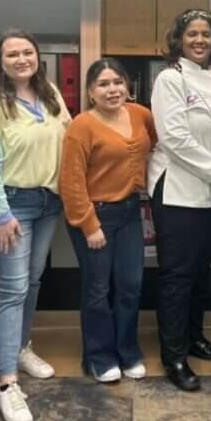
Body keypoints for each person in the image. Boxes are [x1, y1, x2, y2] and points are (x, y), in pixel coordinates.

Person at [0, 29, 72, 421]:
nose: (20, 59)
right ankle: (6, 383)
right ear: (0, 62)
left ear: (37, 57)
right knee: (11, 289)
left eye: (27, 52)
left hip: (48, 202)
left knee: (32, 281)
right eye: (12, 54)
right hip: (11, 205)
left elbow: (69, 134)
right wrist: (0, 214)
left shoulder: (48, 92)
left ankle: (19, 347)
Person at [149, 8, 211, 392]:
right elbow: (174, 138)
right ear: (178, 38)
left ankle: (194, 337)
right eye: (192, 34)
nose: (199, 41)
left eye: (206, 34)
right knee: (178, 276)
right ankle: (174, 355)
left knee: (201, 270)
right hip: (180, 192)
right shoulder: (169, 80)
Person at [59, 58, 157, 383]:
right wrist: (89, 225)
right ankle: (99, 357)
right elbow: (71, 182)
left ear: (126, 85)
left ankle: (127, 351)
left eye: (117, 82)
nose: (112, 89)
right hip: (94, 214)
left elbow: (152, 144)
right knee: (98, 290)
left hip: (130, 212)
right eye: (103, 84)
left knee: (131, 285)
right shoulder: (81, 126)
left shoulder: (141, 114)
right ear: (90, 92)